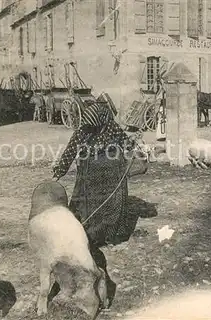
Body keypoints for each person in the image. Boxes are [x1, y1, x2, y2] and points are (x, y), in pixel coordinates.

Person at [52, 99, 137, 307]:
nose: (90, 128)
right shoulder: (90, 129)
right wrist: (60, 171)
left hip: (109, 180)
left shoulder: (109, 129)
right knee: (94, 209)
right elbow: (71, 150)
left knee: (107, 207)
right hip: (95, 179)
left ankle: (103, 235)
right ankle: (97, 236)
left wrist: (134, 145)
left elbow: (127, 145)